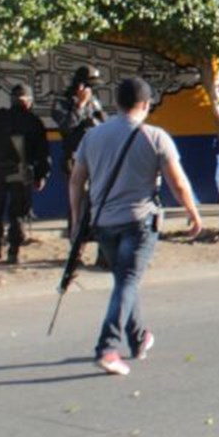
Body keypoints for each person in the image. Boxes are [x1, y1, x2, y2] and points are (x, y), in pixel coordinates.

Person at [67, 76, 204, 377]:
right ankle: (107, 348)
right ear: (145, 104)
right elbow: (178, 182)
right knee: (128, 281)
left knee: (124, 280)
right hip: (139, 222)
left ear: (117, 103)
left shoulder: (93, 136)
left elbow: (76, 181)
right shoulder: (155, 137)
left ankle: (139, 337)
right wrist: (193, 213)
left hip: (103, 223)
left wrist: (77, 220)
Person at [0, 82, 50, 263]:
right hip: (21, 172)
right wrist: (42, 175)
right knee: (18, 212)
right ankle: (13, 252)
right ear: (28, 102)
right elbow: (43, 153)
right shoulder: (34, 122)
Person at [51, 65, 104, 260]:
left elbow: (103, 123)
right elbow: (66, 126)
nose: (92, 90)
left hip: (97, 158)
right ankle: (76, 248)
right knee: (78, 205)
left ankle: (103, 252)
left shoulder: (94, 101)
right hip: (75, 158)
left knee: (100, 202)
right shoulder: (63, 102)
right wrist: (80, 105)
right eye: (89, 86)